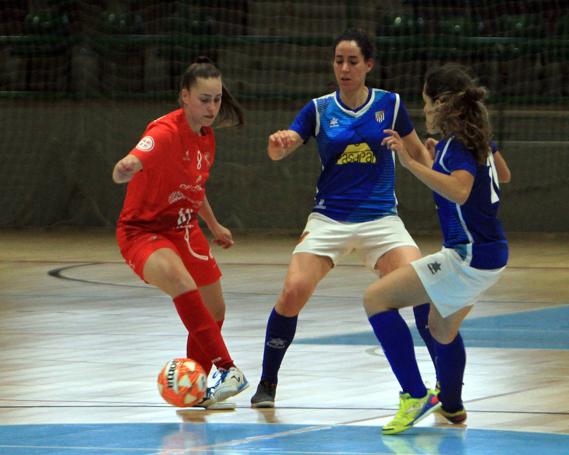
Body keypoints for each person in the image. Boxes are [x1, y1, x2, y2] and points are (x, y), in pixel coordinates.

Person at [250, 28, 440, 408]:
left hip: (381, 219)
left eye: (353, 61)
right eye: (339, 60)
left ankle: (441, 384)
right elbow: (284, 146)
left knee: (422, 286)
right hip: (329, 219)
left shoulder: (391, 103)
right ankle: (267, 382)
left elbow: (419, 154)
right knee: (292, 293)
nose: (344, 67)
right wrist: (279, 145)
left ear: (368, 65)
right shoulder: (319, 108)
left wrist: (444, 177)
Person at [364, 62, 512, 434]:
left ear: (443, 103)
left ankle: (415, 395)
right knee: (439, 328)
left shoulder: (456, 146)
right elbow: (501, 175)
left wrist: (412, 162)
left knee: (376, 299)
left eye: (427, 103)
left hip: (467, 255)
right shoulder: (478, 139)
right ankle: (453, 407)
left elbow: (460, 190)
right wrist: (438, 160)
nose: (424, 110)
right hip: (492, 254)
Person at [112, 56, 249, 409]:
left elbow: (194, 187)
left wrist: (214, 225)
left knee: (215, 308)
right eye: (205, 99)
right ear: (184, 96)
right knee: (182, 282)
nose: (212, 107)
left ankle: (199, 389)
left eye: (217, 99)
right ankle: (227, 368)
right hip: (142, 231)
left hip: (184, 227)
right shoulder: (165, 132)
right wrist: (128, 167)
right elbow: (137, 156)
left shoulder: (207, 138)